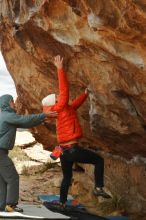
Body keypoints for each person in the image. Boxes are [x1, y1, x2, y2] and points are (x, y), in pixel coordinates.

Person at [42, 55, 111, 206]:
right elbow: (64, 89)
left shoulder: (65, 109)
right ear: (56, 102)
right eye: (58, 97)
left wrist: (85, 94)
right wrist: (60, 69)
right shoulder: (60, 107)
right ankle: (98, 188)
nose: (60, 96)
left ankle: (61, 203)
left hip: (63, 151)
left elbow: (75, 104)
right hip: (72, 149)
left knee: (67, 177)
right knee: (99, 160)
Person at [0, 94, 57, 212]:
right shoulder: (8, 116)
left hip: (1, 152)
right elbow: (24, 120)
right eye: (12, 102)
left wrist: (42, 118)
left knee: (2, 180)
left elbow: (25, 123)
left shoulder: (3, 116)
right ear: (7, 103)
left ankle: (2, 206)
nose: (14, 104)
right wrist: (43, 115)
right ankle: (11, 205)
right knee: (12, 178)